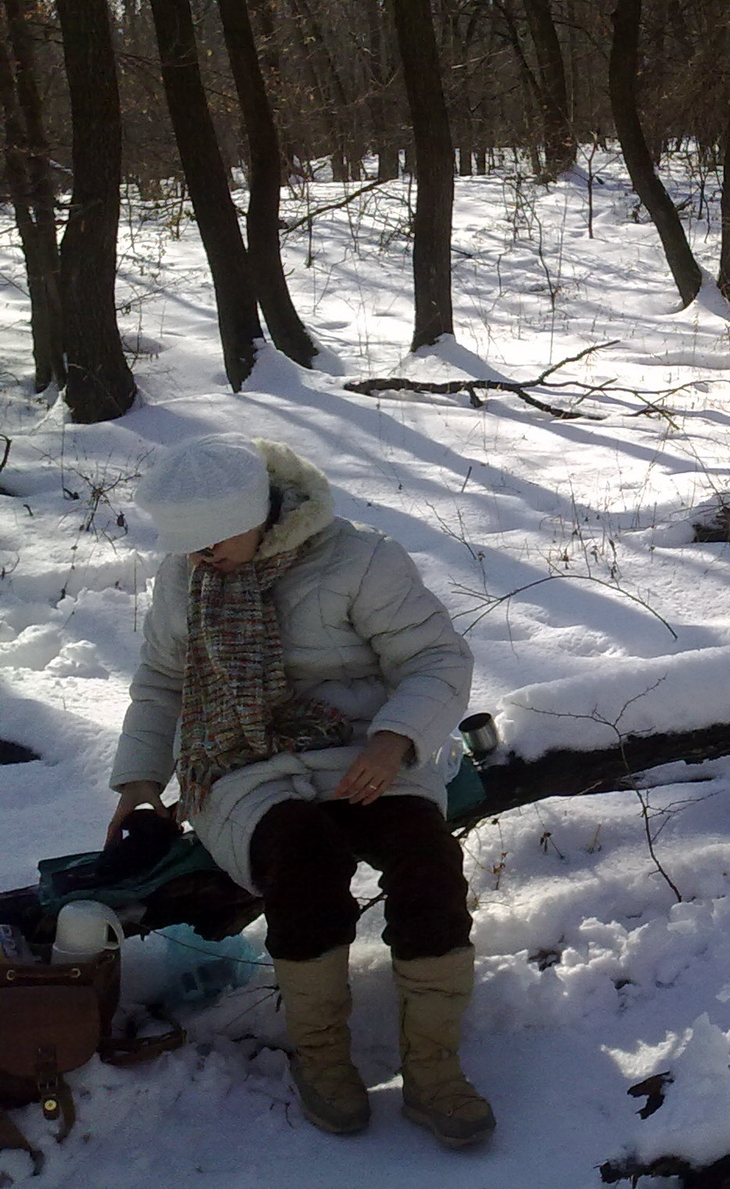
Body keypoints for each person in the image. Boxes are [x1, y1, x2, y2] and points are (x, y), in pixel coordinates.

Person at [107, 433, 495, 1148]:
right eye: (186, 544)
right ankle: (322, 1057)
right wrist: (137, 780)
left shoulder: (361, 557)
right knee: (303, 856)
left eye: (213, 539)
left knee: (426, 860)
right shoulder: (186, 575)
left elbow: (435, 656)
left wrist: (394, 737)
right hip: (241, 764)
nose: (199, 557)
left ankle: (434, 1068)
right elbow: (164, 681)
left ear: (261, 512)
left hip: (365, 750)